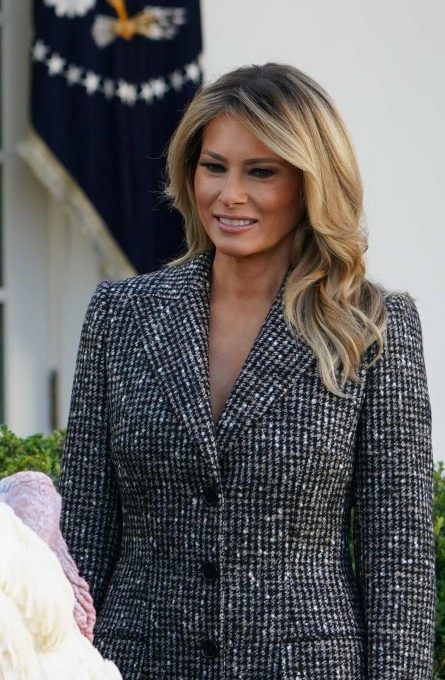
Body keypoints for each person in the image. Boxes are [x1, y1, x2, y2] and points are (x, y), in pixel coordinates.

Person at [59, 63, 433, 679]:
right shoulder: (120, 315)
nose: (229, 195)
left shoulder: (373, 324)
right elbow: (84, 535)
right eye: (214, 166)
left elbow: (400, 554)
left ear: (310, 184)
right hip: (133, 664)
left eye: (261, 172)